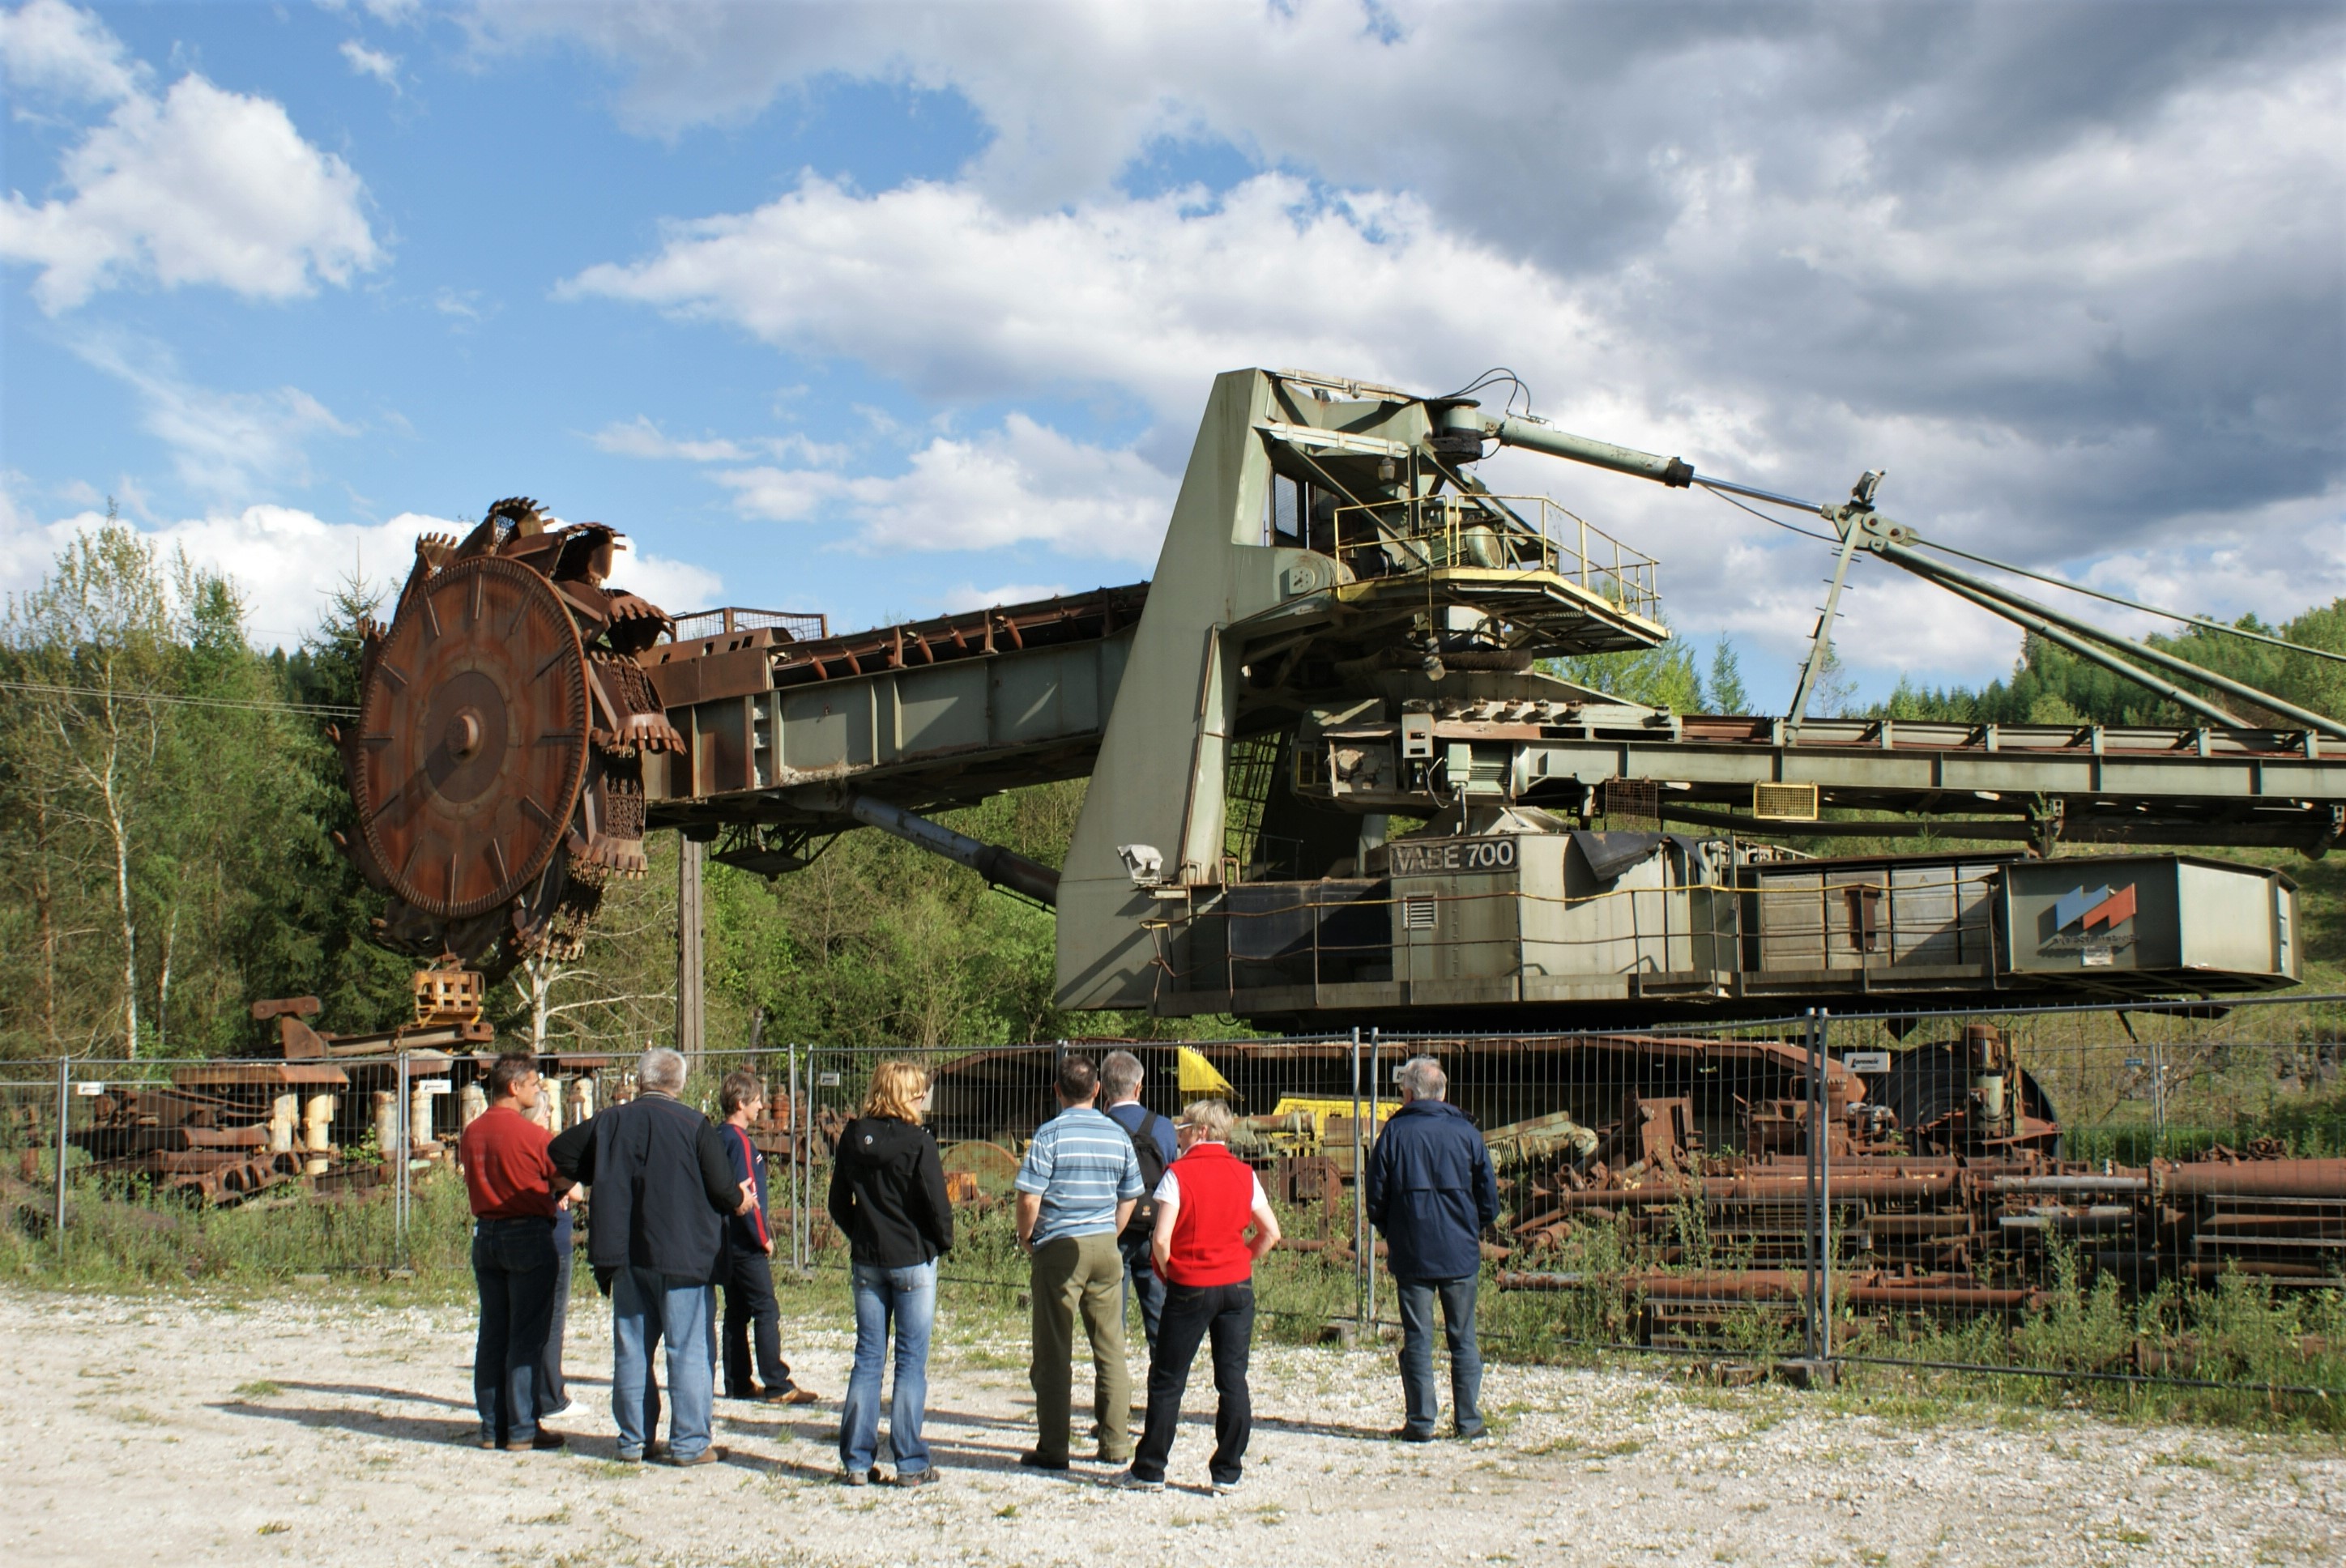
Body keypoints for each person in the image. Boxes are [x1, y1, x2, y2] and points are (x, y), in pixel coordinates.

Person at [548, 1046, 756, 1466]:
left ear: (643, 1081)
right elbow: (721, 1187)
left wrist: (587, 1178)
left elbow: (559, 1153)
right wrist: (741, 1200)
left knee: (631, 1349)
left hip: (625, 1253)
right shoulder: (694, 1124)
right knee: (689, 1349)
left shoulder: (610, 1121)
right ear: (677, 1084)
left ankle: (632, 1441)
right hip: (684, 1254)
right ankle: (690, 1443)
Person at [1115, 1099, 1280, 1494]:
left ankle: (1151, 1469)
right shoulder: (1245, 1174)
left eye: (1185, 1127)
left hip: (1191, 1284)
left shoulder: (1179, 1174)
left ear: (1201, 1131)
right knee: (1232, 1379)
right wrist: (1243, 1259)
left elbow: (1160, 1238)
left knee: (1169, 1379)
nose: (1180, 1133)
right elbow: (1271, 1232)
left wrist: (1170, 1272)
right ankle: (1228, 1471)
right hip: (1237, 1287)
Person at [827, 1059, 954, 1488]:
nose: (924, 1099)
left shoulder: (851, 1136)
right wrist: (942, 1242)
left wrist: (859, 1233)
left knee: (867, 1359)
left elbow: (836, 1203)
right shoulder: (919, 1141)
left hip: (868, 1258)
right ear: (908, 1095)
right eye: (920, 1092)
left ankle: (857, 1462)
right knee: (911, 1362)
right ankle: (911, 1463)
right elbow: (937, 1204)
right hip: (913, 1259)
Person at [1013, 1053, 1142, 1472]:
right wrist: (1112, 1232)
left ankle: (1054, 1448)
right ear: (1098, 1090)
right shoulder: (1117, 1135)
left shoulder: (1049, 1136)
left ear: (1057, 1091)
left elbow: (1030, 1198)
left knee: (1054, 1351)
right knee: (1110, 1349)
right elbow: (1130, 1195)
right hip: (1105, 1245)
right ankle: (1116, 1444)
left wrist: (1028, 1237)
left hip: (1060, 1247)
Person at [1364, 1054, 1497, 1442]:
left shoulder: (1393, 1133)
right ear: (1443, 1092)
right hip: (1460, 1253)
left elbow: (1375, 1198)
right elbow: (1489, 1198)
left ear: (1408, 1093)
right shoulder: (1467, 1134)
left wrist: (1395, 1230)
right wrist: (1471, 1228)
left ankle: (1421, 1423)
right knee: (1464, 1338)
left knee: (1418, 1338)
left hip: (1412, 1252)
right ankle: (1470, 1423)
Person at [456, 1051, 565, 1452]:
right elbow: (559, 1177)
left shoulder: (472, 1132)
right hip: (529, 1234)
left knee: (493, 1332)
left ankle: (491, 1427)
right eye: (534, 1084)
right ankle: (522, 1428)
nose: (537, 1091)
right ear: (514, 1087)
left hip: (486, 1235)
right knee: (527, 1334)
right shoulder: (533, 1135)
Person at [716, 1071, 818, 1407]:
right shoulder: (741, 1142)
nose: (762, 1105)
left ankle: (738, 1381)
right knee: (766, 1308)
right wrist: (764, 1238)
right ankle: (777, 1383)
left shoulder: (717, 1137)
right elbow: (749, 1195)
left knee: (736, 1311)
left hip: (724, 1241)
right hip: (745, 1242)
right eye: (757, 1100)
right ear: (741, 1103)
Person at [1099, 1049, 1175, 1357]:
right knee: (1159, 1321)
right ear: (1139, 1086)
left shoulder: (1099, 1128)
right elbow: (1172, 1173)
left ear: (1103, 1088)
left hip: (1110, 1232)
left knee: (1110, 1324)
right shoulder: (1164, 1127)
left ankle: (1114, 1396)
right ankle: (1163, 1398)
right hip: (1153, 1232)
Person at [537, 1181, 582, 1417]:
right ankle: (550, 1397)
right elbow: (577, 1191)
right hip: (554, 1237)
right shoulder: (553, 1145)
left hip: (523, 1233)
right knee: (553, 1323)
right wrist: (562, 1188)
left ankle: (520, 1397)